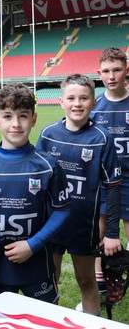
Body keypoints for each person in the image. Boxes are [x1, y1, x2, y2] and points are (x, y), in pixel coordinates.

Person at [0, 82, 70, 305]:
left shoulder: (47, 166)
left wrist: (33, 244)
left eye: (23, 116)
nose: (16, 124)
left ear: (34, 118)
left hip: (38, 266)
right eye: (8, 116)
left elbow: (62, 211)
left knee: (43, 321)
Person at [36, 74, 122, 316]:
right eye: (71, 98)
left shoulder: (101, 138)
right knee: (47, 281)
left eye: (84, 98)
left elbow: (113, 187)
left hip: (82, 225)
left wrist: (113, 233)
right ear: (61, 102)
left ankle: (91, 320)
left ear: (93, 103)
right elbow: (37, 180)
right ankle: (48, 321)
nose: (77, 103)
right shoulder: (48, 134)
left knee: (85, 280)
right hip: (51, 224)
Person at [90, 47, 129, 295]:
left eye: (117, 69)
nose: (112, 75)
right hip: (105, 181)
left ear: (127, 70)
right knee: (99, 227)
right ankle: (98, 276)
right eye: (106, 71)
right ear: (99, 73)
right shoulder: (94, 107)